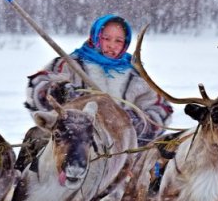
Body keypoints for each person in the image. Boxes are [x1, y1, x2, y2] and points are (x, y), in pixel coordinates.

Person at [24, 14, 172, 146]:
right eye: (106, 38)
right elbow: (37, 89)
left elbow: (160, 111)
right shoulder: (69, 64)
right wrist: (59, 92)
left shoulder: (135, 75)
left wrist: (133, 121)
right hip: (68, 146)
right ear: (95, 36)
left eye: (118, 41)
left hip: (119, 152)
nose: (111, 45)